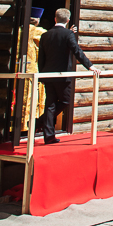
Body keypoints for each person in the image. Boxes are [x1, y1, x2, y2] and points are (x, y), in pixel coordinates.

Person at [37, 8, 101, 144]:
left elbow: (40, 58)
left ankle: (48, 135)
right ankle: (40, 123)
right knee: (66, 101)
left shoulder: (45, 35)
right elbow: (77, 51)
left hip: (48, 75)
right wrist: (90, 66)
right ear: (67, 20)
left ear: (55, 19)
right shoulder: (68, 34)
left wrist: (41, 74)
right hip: (63, 76)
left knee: (50, 105)